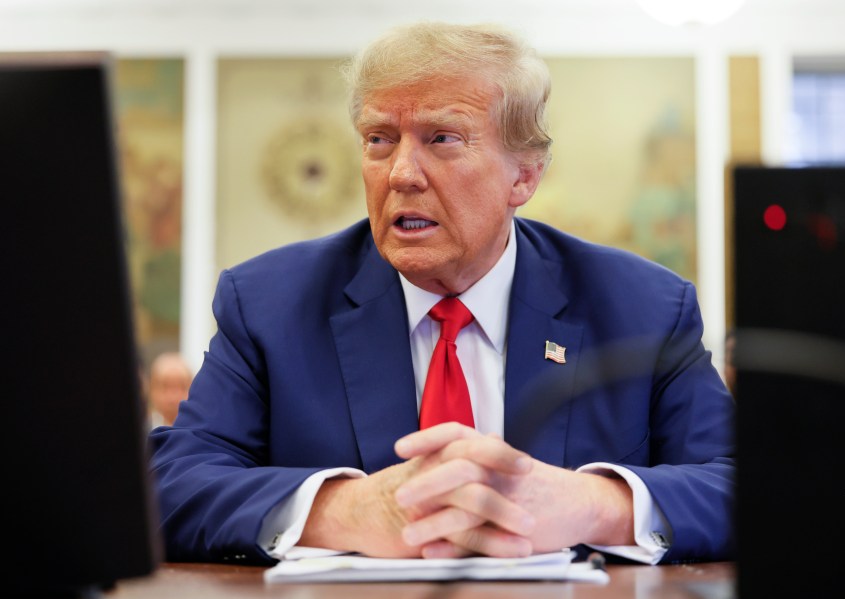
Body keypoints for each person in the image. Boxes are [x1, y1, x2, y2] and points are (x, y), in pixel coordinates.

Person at [150, 22, 735, 566]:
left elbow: (747, 484)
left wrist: (591, 503)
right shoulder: (269, 304)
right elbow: (170, 484)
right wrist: (346, 511)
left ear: (524, 175)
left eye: (442, 138)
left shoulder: (644, 309)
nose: (401, 173)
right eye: (379, 139)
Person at [147, 351, 193, 428]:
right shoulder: (141, 431)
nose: (173, 398)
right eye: (165, 387)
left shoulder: (203, 434)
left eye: (181, 387)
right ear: (152, 390)